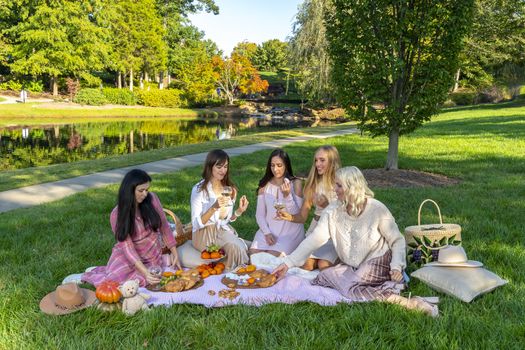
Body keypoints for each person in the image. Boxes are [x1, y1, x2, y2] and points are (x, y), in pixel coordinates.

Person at [273, 166, 438, 317]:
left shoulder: (377, 209)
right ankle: (382, 286)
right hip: (355, 266)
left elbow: (397, 240)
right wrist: (288, 263)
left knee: (350, 288)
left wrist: (396, 265)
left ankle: (410, 303)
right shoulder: (332, 211)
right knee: (324, 276)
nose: (334, 189)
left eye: (338, 185)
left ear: (351, 187)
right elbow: (314, 239)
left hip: (379, 259)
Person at [82, 169, 181, 287]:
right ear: (129, 190)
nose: (145, 194)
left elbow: (164, 226)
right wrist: (145, 272)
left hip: (151, 253)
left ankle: (163, 261)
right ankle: (95, 273)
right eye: (141, 190)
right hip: (129, 256)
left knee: (152, 277)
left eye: (147, 190)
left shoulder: (152, 199)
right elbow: (126, 246)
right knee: (114, 281)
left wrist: (175, 253)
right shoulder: (117, 214)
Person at [277, 145, 341, 270]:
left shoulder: (340, 182)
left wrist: (327, 205)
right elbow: (302, 217)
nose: (318, 164)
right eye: (316, 160)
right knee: (306, 265)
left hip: (333, 232)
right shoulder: (313, 183)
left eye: (322, 160)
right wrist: (288, 216)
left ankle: (341, 259)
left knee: (323, 265)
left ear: (332, 161)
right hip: (316, 229)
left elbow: (346, 212)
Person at [190, 149, 250, 270]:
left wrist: (239, 211)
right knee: (236, 248)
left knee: (238, 247)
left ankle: (236, 274)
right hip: (204, 233)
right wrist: (213, 208)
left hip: (221, 230)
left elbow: (225, 219)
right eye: (219, 167)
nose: (223, 170)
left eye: (226, 166)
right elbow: (196, 224)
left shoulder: (229, 189)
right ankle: (232, 274)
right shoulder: (199, 190)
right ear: (210, 166)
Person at [249, 149, 305, 257]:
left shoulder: (296, 183)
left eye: (279, 165)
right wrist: (266, 232)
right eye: (272, 165)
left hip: (289, 234)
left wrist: (287, 196)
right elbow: (259, 215)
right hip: (269, 231)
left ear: (286, 165)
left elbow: (298, 216)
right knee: (253, 257)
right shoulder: (264, 185)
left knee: (271, 259)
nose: (275, 169)